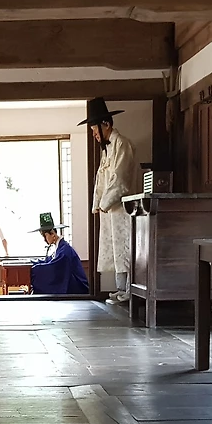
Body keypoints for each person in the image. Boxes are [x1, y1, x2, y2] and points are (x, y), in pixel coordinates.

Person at [81, 97, 142, 304]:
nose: (94, 134)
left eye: (95, 129)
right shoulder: (107, 149)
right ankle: (120, 288)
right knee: (116, 250)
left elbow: (121, 179)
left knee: (126, 248)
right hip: (111, 210)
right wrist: (97, 204)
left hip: (123, 208)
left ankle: (129, 290)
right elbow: (100, 180)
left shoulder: (122, 144)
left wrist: (104, 203)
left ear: (106, 124)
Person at [30, 213, 89, 296]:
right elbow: (49, 260)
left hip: (77, 287)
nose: (44, 240)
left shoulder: (64, 250)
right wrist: (33, 262)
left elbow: (54, 268)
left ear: (52, 233)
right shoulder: (60, 247)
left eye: (45, 236)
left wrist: (35, 270)